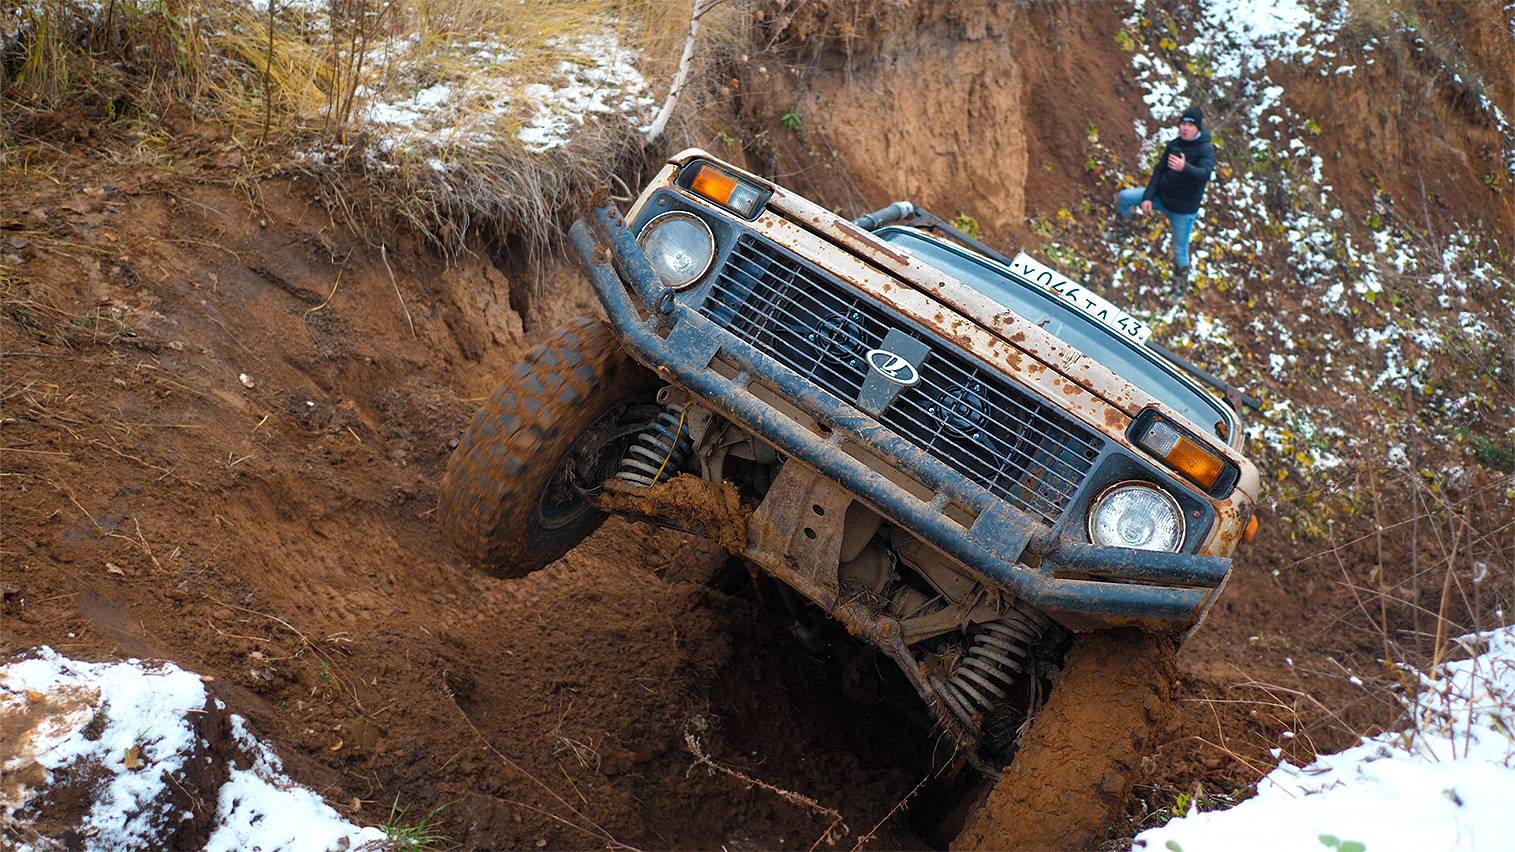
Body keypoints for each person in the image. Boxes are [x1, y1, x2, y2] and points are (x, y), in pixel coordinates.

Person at [1115, 105, 1214, 290]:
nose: (1185, 128)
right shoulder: (1175, 144)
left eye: (1190, 125)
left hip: (1182, 210)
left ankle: (1179, 287)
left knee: (1179, 250)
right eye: (1182, 124)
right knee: (1125, 197)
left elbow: (1204, 174)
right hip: (1162, 196)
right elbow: (1159, 171)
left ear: (1198, 128)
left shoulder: (1205, 149)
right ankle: (1121, 233)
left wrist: (1185, 167)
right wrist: (1148, 197)